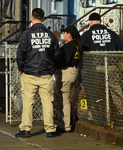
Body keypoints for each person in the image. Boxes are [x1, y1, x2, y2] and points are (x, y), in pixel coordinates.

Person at [15, 8, 61, 138]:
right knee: (47, 101)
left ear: (31, 17)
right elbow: (57, 54)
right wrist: (53, 67)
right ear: (43, 18)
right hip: (46, 72)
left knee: (28, 101)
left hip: (30, 72)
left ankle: (25, 128)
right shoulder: (50, 34)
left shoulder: (26, 34)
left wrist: (21, 69)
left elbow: (20, 54)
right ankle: (50, 129)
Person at [81, 13, 123, 125]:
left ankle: (95, 115)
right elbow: (122, 48)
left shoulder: (87, 35)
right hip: (111, 66)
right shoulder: (111, 34)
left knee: (94, 91)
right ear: (100, 21)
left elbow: (81, 49)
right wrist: (115, 60)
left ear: (90, 22)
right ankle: (121, 114)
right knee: (115, 89)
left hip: (95, 68)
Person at [55, 25, 82, 132]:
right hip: (75, 71)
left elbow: (63, 60)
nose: (63, 35)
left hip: (66, 72)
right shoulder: (78, 45)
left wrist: (56, 65)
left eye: (64, 33)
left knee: (64, 100)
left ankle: (65, 125)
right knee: (70, 99)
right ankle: (66, 122)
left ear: (69, 34)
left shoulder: (68, 46)